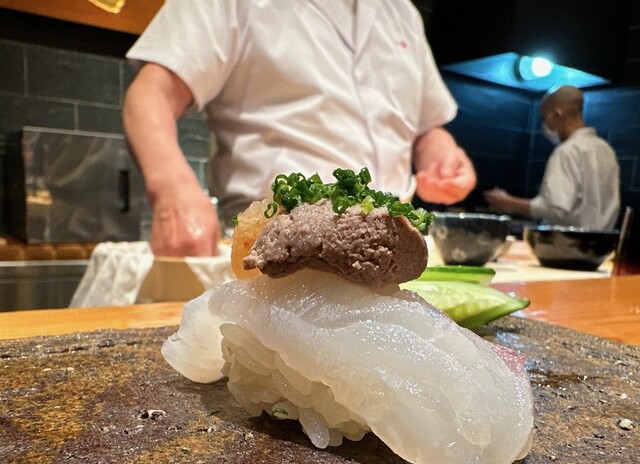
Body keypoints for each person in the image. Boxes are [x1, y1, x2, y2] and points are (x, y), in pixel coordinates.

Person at [122, 0, 476, 257]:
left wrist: (442, 155)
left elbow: (427, 128)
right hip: (272, 247)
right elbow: (152, 93)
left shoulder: (403, 13)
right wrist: (172, 189)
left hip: (395, 247)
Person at [484, 85, 620, 230]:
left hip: (565, 243)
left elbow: (555, 209)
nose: (544, 124)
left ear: (557, 114)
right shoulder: (606, 150)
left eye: (544, 116)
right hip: (603, 242)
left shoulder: (567, 151)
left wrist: (507, 202)